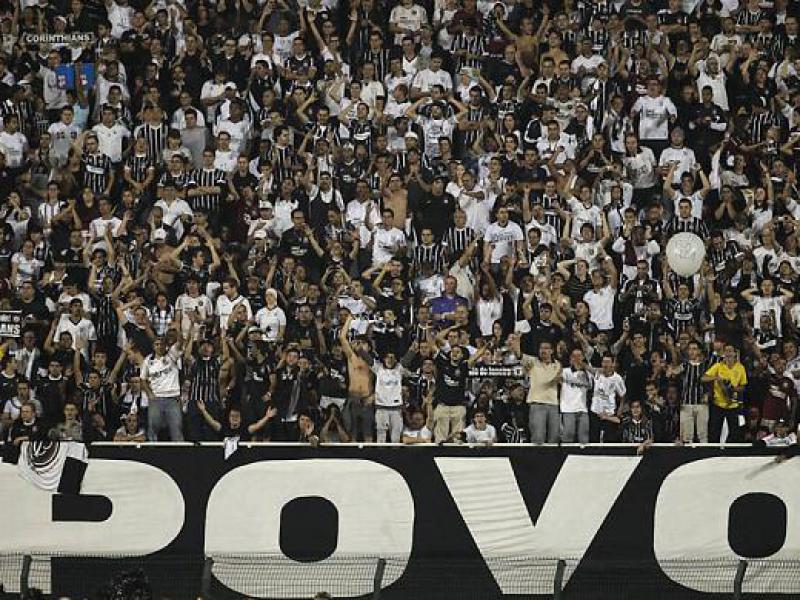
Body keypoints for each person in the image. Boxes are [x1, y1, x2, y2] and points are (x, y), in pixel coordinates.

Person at [140, 336, 185, 442]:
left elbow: (180, 341)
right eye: (157, 344)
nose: (159, 346)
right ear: (153, 346)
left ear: (165, 346)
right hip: (156, 398)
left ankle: (180, 451)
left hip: (173, 398)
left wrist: (179, 329)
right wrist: (149, 394)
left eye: (161, 344)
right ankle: (152, 450)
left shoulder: (172, 355)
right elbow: (142, 379)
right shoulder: (148, 360)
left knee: (176, 428)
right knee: (153, 427)